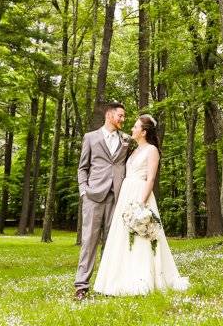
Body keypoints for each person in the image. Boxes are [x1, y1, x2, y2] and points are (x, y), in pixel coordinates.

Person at [93, 114, 189, 296]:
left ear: (144, 132)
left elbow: (150, 178)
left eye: (135, 127)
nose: (132, 129)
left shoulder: (151, 150)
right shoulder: (134, 150)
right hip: (126, 195)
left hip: (140, 194)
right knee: (122, 236)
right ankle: (118, 279)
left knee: (141, 237)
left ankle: (141, 281)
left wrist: (141, 205)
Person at [74, 102, 129, 300]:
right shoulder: (90, 137)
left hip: (117, 197)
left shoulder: (126, 140)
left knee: (112, 242)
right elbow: (82, 167)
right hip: (93, 197)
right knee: (89, 241)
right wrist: (83, 191)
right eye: (120, 116)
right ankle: (81, 286)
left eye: (124, 116)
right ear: (109, 115)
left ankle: (108, 284)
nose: (123, 119)